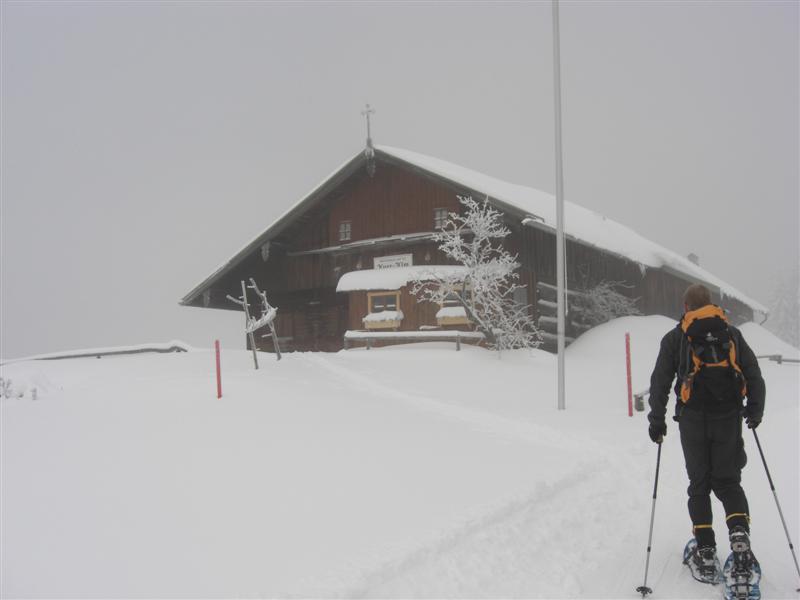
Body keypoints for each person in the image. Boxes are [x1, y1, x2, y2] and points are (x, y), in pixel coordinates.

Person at [647, 283, 765, 575]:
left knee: (699, 483)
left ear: (686, 307)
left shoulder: (676, 337)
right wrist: (755, 410)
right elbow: (754, 374)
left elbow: (660, 382)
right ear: (711, 304)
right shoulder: (732, 334)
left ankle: (706, 550)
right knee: (727, 481)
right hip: (728, 418)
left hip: (692, 420)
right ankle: (739, 534)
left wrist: (657, 420)